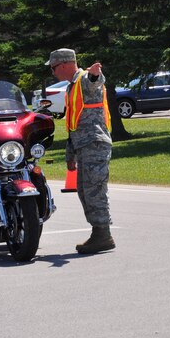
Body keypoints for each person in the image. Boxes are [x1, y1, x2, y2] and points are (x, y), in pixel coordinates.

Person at [47, 48, 115, 254]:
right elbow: (73, 123)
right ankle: (99, 232)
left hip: (94, 143)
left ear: (65, 64)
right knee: (86, 190)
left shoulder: (84, 79)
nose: (52, 72)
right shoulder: (72, 87)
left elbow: (95, 82)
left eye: (53, 67)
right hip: (84, 145)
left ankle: (103, 234)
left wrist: (95, 74)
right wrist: (71, 154)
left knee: (94, 189)